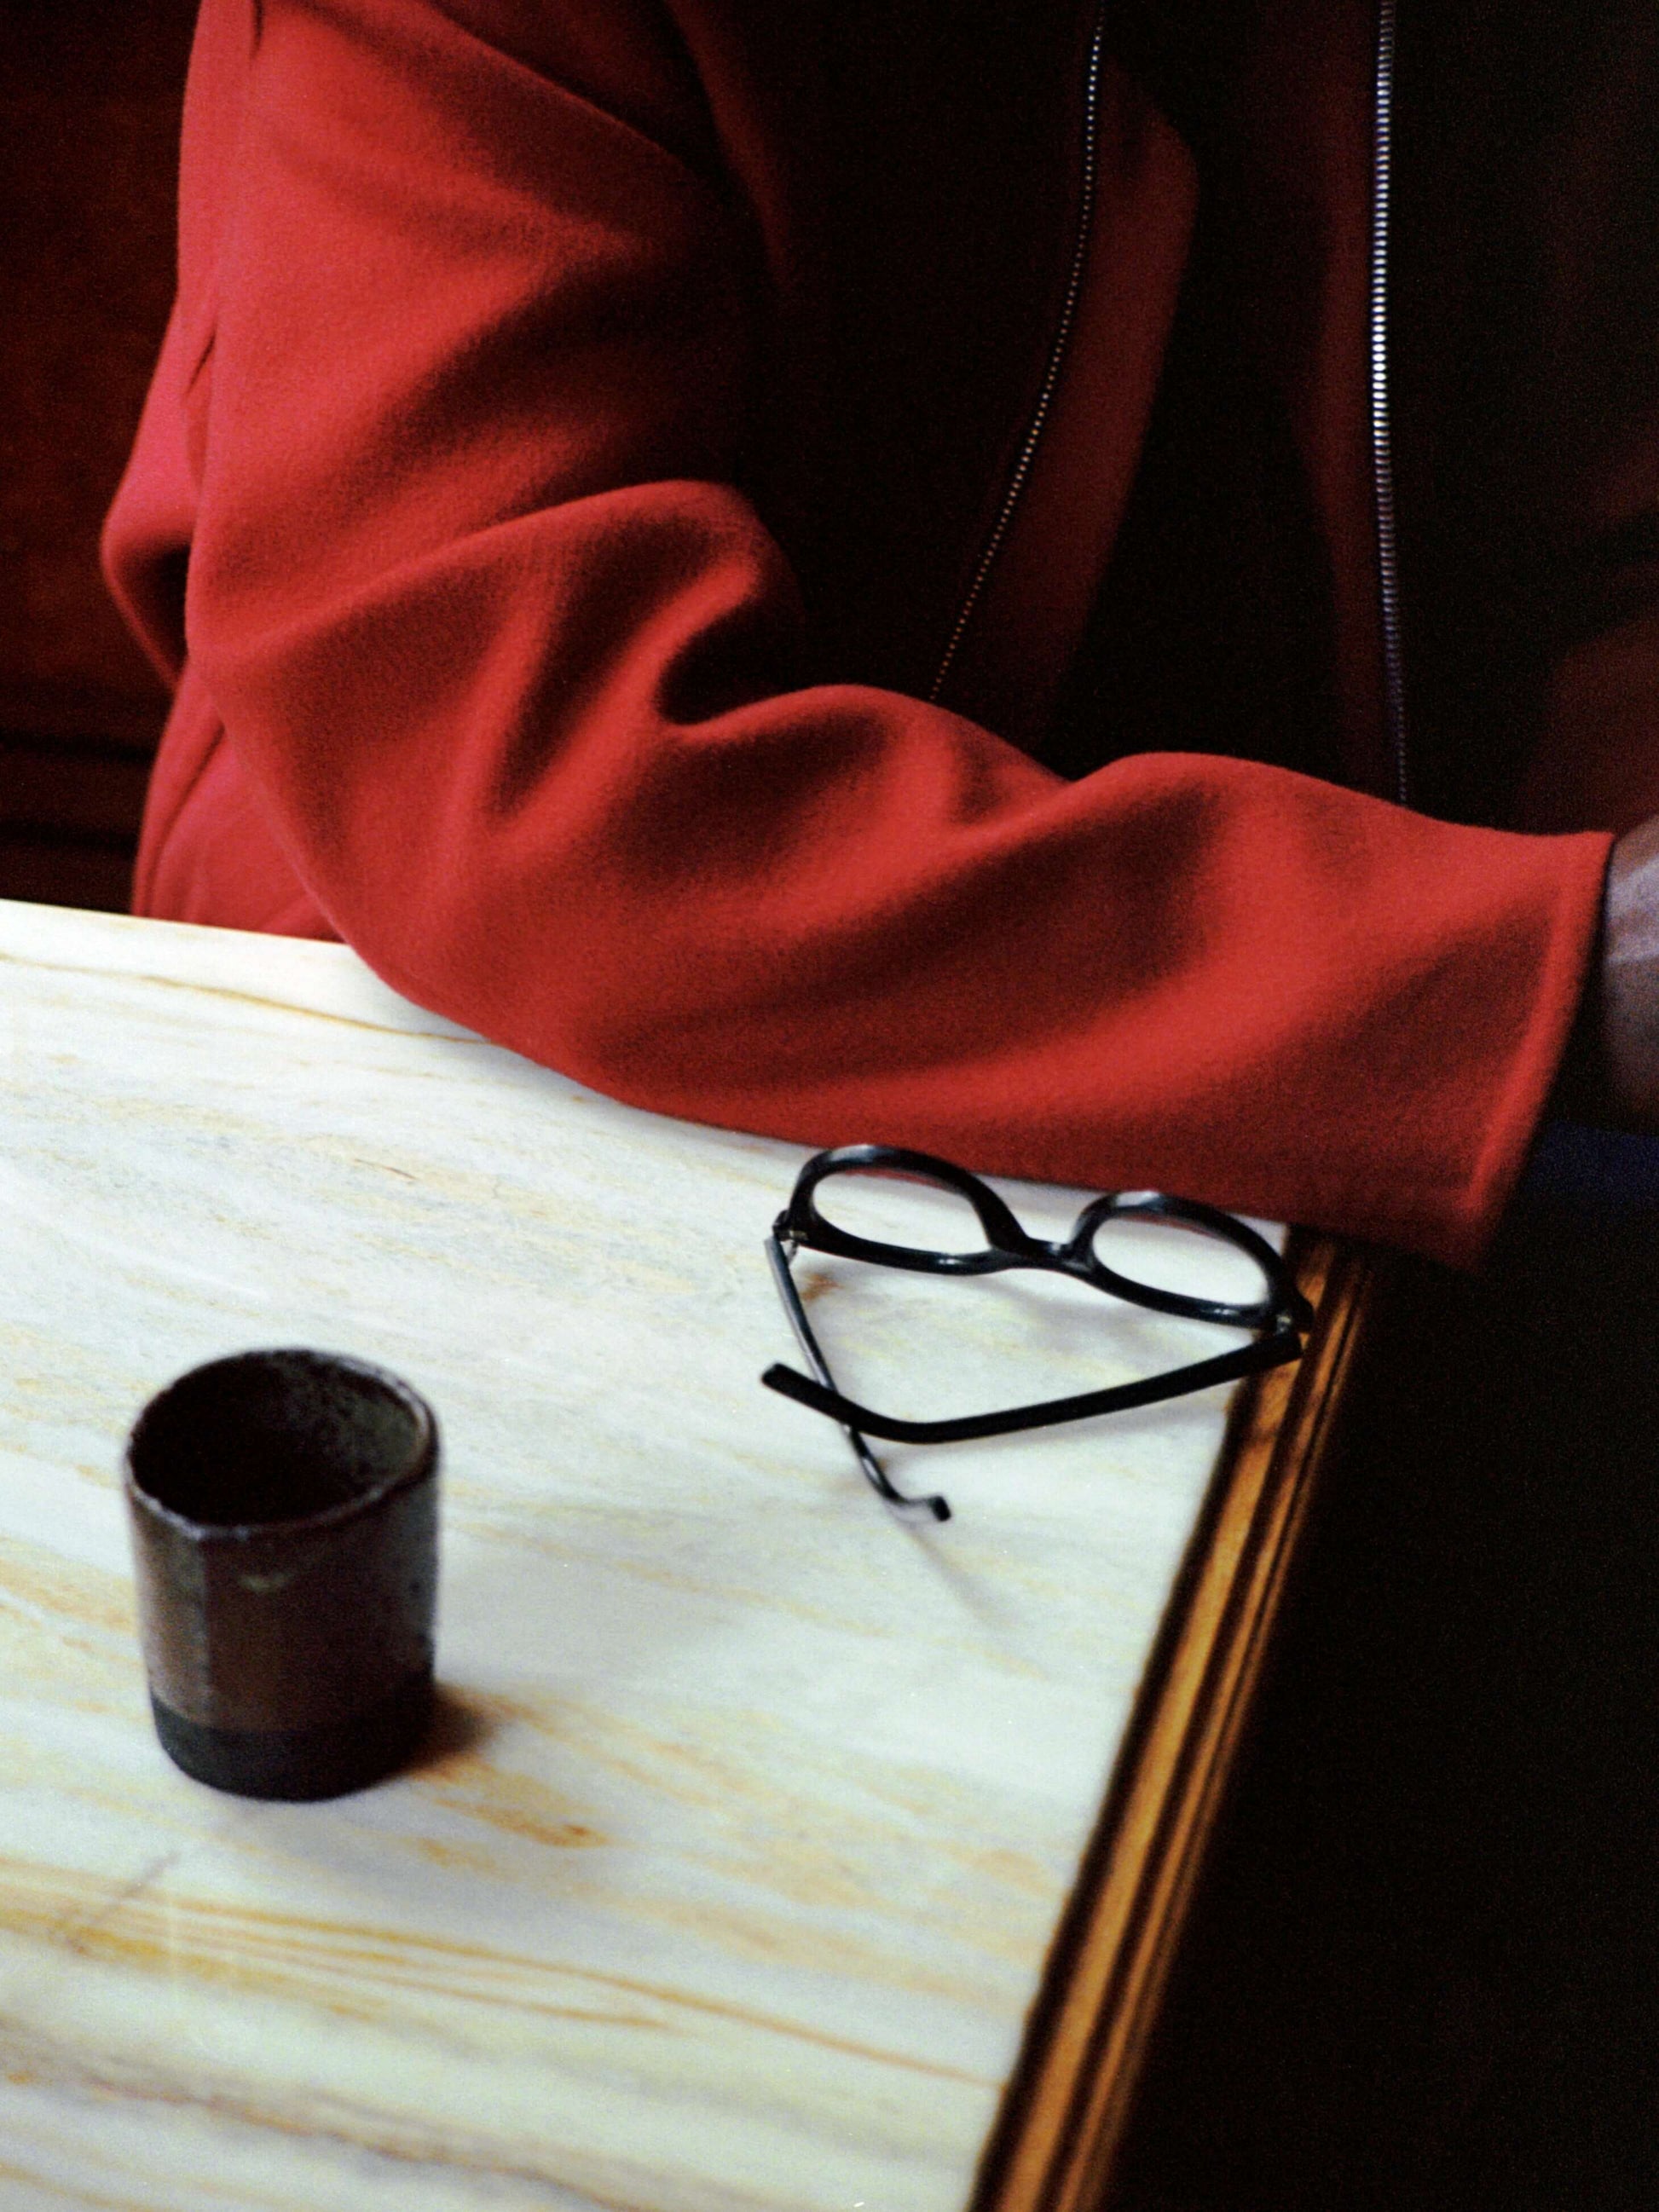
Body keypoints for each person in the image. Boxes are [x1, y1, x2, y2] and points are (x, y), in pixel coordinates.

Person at [101, 0, 1659, 1263]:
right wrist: (1541, 969)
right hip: (506, 1042)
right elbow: (531, 800)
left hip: (1339, 1029)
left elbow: (1597, 551)